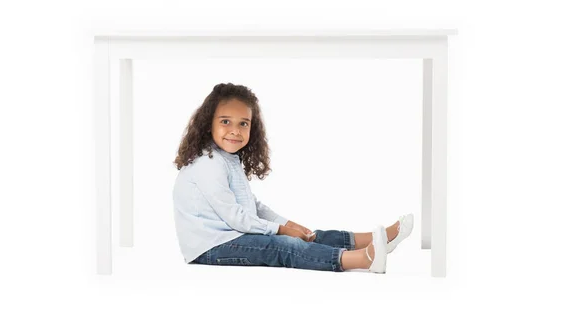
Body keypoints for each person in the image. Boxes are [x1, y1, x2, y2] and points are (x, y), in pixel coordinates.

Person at [172, 83, 414, 273]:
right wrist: (281, 231)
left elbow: (252, 206)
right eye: (226, 122)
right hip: (211, 246)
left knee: (308, 234)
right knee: (284, 247)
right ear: (207, 125)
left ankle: (374, 240)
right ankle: (363, 259)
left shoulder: (227, 158)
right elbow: (236, 218)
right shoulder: (208, 164)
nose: (235, 130)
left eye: (243, 123)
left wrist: (288, 224)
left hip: (232, 234)